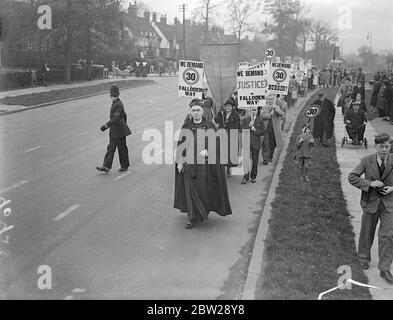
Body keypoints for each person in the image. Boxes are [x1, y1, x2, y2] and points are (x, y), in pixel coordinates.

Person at [174, 103, 232, 229]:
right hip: (189, 164)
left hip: (204, 166)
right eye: (193, 110)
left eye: (198, 110)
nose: (195, 112)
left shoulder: (210, 126)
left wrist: (208, 151)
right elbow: (181, 146)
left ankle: (202, 211)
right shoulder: (186, 127)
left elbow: (217, 144)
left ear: (202, 112)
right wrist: (180, 161)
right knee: (190, 190)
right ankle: (192, 217)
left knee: (202, 189)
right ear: (190, 111)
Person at [348, 133, 393, 284]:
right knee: (367, 232)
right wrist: (369, 184)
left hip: (389, 204)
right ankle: (363, 258)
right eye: (381, 146)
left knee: (387, 235)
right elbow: (352, 177)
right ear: (376, 146)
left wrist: (392, 188)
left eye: (387, 146)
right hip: (370, 202)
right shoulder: (367, 161)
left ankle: (385, 268)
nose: (385, 150)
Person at [96, 85, 131, 173]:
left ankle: (123, 166)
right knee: (112, 148)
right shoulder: (117, 103)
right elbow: (124, 116)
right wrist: (124, 125)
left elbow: (115, 119)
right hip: (117, 131)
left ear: (111, 94)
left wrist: (106, 126)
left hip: (118, 131)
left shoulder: (118, 104)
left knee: (121, 148)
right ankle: (107, 166)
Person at [240, 107, 265, 184]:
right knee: (246, 160)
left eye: (255, 110)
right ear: (249, 110)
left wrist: (256, 130)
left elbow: (263, 131)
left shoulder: (260, 120)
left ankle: (253, 176)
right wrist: (248, 126)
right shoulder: (245, 120)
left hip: (255, 143)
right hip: (246, 142)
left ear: (257, 111)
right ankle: (245, 176)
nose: (253, 112)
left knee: (255, 160)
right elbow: (242, 130)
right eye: (252, 110)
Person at [260, 94, 285, 164]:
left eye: (271, 99)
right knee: (265, 143)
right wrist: (269, 114)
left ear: (273, 100)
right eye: (268, 99)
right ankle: (265, 158)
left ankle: (270, 156)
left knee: (272, 143)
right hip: (266, 128)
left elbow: (282, 114)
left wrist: (277, 109)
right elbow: (261, 116)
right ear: (266, 100)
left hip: (274, 129)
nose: (270, 100)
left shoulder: (276, 106)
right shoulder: (264, 107)